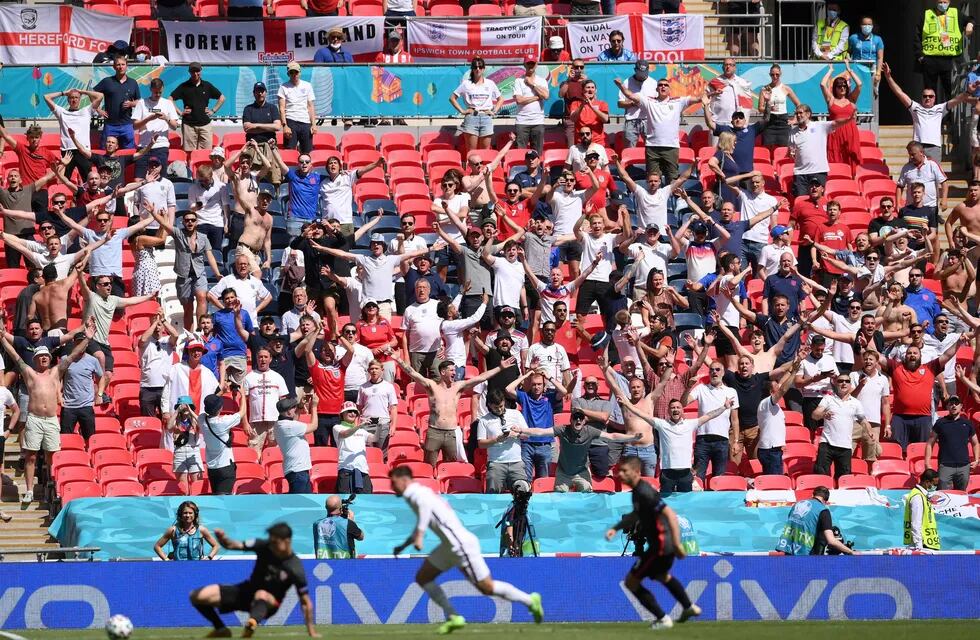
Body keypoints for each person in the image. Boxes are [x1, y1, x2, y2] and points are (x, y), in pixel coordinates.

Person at [389, 465, 544, 635]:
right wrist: (404, 545)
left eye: (394, 482)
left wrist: (419, 536)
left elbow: (425, 512)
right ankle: (453, 617)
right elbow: (426, 516)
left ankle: (530, 600)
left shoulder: (416, 494)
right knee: (423, 577)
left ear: (404, 480)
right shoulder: (419, 493)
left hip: (461, 545)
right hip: (448, 546)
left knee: (487, 587)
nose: (391, 486)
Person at [0, 320, 92, 503]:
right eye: (40, 356)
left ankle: (53, 486)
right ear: (34, 359)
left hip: (50, 419)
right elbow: (15, 355)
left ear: (50, 358)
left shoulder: (55, 372)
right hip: (34, 419)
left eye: (45, 356)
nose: (43, 358)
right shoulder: (30, 374)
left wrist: (87, 339)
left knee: (52, 456)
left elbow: (73, 355)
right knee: (31, 456)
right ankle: (29, 490)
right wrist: (2, 339)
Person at [605, 457, 701, 630]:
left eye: (624, 470)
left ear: (636, 472)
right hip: (662, 545)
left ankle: (663, 619)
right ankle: (688, 607)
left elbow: (670, 514)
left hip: (661, 546)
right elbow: (636, 514)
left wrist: (678, 544)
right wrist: (616, 528)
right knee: (661, 576)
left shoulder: (645, 492)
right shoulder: (637, 492)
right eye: (619, 470)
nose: (620, 474)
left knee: (631, 582)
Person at [190, 522, 318, 638]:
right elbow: (232, 545)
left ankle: (251, 625)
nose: (271, 545)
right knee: (196, 596)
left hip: (269, 603)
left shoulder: (295, 567)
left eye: (275, 543)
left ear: (287, 541)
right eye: (271, 541)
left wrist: (311, 631)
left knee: (261, 594)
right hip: (246, 591)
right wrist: (223, 539)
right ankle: (220, 629)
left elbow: (306, 602)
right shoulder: (263, 546)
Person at [395, 356, 512, 466]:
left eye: (454, 370)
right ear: (442, 372)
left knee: (451, 465)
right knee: (429, 465)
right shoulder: (432, 386)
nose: (455, 373)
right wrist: (398, 359)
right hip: (434, 432)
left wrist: (500, 368)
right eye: (451, 370)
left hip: (451, 433)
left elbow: (481, 377)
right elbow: (413, 373)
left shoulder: (458, 387)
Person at [881, 61, 977, 164]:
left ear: (934, 98)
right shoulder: (915, 107)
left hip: (934, 148)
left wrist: (968, 92)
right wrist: (888, 76)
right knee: (915, 175)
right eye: (925, 96)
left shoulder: (940, 108)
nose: (928, 98)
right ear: (921, 98)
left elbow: (957, 99)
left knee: (934, 177)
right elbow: (899, 93)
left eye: (930, 96)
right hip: (917, 147)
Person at [614, 76, 699, 181]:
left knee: (672, 179)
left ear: (669, 89)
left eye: (666, 85)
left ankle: (673, 197)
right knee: (653, 180)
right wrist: (620, 85)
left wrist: (709, 96)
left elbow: (697, 99)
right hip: (652, 147)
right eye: (660, 85)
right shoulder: (649, 102)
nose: (663, 87)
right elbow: (630, 95)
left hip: (671, 147)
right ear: (656, 89)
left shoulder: (678, 102)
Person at [915, 0, 976, 101]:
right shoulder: (927, 14)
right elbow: (917, 35)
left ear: (949, 2)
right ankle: (931, 115)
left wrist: (970, 24)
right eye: (940, 2)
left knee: (951, 92)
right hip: (930, 59)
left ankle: (948, 116)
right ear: (936, 2)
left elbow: (970, 19)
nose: (942, 4)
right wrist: (920, 56)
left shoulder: (955, 13)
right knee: (930, 92)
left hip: (950, 59)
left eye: (945, 2)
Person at [788, 104, 851, 196]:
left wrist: (849, 119)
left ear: (808, 114)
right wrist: (791, 153)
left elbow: (836, 123)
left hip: (818, 171)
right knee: (801, 201)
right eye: (796, 113)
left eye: (800, 113)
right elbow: (791, 152)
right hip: (800, 173)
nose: (798, 115)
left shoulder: (819, 126)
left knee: (818, 200)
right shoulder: (793, 132)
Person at [44, 87, 104, 182]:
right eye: (71, 97)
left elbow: (100, 96)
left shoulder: (86, 111)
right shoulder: (62, 112)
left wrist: (82, 92)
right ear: (68, 99)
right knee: (63, 181)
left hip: (83, 151)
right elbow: (46, 97)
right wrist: (64, 92)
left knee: (87, 181)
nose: (74, 100)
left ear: (80, 99)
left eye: (76, 97)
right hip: (67, 152)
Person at [776, 486, 856, 555]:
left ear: (812, 495)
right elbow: (831, 540)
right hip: (806, 555)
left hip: (788, 549)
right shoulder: (823, 510)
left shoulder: (797, 504)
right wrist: (850, 551)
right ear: (826, 501)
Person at [450, 57, 504, 155]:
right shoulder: (466, 83)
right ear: (472, 69)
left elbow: (501, 99)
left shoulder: (490, 83)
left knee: (485, 152)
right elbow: (452, 98)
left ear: (484, 69)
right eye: (475, 67)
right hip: (471, 117)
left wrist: (494, 111)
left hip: (486, 117)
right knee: (471, 153)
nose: (477, 69)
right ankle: (472, 170)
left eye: (480, 67)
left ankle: (483, 170)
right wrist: (462, 111)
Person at [926, 395, 980, 490]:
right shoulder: (940, 423)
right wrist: (927, 462)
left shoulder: (967, 423)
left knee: (961, 495)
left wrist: (976, 460)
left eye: (956, 403)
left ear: (961, 406)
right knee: (943, 495)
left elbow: (975, 443)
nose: (954, 406)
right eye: (951, 403)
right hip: (945, 465)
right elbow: (930, 443)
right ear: (947, 407)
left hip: (964, 466)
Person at [200, 392, 246, 496]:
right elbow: (242, 412)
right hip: (225, 466)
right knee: (225, 499)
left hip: (212, 468)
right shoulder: (223, 422)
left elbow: (199, 416)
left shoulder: (202, 420)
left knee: (216, 498)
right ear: (219, 408)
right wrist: (243, 394)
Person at [821, 62, 864, 170]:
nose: (842, 88)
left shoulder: (851, 99)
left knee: (851, 159)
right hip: (835, 133)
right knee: (835, 159)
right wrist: (830, 71)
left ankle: (852, 182)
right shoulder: (831, 100)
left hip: (850, 133)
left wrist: (850, 71)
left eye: (844, 86)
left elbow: (859, 84)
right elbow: (822, 84)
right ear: (835, 88)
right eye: (839, 86)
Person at [92, 55, 140, 149]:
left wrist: (131, 104)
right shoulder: (107, 81)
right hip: (110, 125)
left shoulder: (133, 82)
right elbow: (92, 94)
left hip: (127, 125)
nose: (121, 67)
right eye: (118, 64)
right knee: (105, 152)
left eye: (123, 64)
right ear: (114, 67)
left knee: (129, 153)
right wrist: (97, 109)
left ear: (127, 66)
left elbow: (139, 101)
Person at [275, 395, 317, 494]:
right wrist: (314, 406)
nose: (295, 408)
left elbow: (294, 421)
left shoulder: (280, 424)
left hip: (297, 470)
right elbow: (314, 426)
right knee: (298, 504)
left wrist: (300, 407)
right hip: (298, 471)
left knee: (301, 504)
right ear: (289, 412)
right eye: (294, 407)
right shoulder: (289, 426)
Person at [153, 501, 219, 561]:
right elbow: (157, 546)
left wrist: (209, 558)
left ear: (195, 514)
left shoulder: (202, 530)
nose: (188, 515)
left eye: (190, 513)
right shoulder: (173, 530)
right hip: (178, 567)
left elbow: (216, 545)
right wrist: (166, 560)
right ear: (180, 514)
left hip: (197, 567)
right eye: (185, 513)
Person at [758, 64, 801, 149]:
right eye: (772, 74)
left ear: (780, 74)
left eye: (777, 74)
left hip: (783, 121)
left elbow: (799, 105)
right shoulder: (765, 89)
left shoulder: (786, 88)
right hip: (770, 121)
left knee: (784, 149)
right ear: (769, 74)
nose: (775, 76)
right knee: (768, 149)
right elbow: (760, 108)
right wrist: (769, 108)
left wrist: (795, 119)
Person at [278, 62, 317, 155]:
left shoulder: (307, 85)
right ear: (288, 74)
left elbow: (310, 106)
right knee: (289, 152)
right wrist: (285, 126)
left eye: (296, 72)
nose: (294, 74)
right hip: (291, 121)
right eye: (291, 72)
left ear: (300, 72)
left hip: (305, 122)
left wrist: (314, 124)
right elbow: (281, 108)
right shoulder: (283, 87)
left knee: (308, 153)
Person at [513, 55, 548, 155]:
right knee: (520, 153)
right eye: (528, 63)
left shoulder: (542, 81)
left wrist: (532, 84)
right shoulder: (518, 81)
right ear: (524, 64)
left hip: (538, 121)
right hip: (522, 122)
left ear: (536, 64)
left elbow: (545, 96)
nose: (531, 65)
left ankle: (537, 171)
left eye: (533, 63)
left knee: (537, 153)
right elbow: (519, 100)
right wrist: (537, 97)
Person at [313, 494, 365, 559]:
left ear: (326, 507)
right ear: (340, 508)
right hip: (345, 565)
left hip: (323, 565)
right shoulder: (348, 524)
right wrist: (352, 521)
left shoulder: (317, 524)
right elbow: (361, 537)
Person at [904, 469, 941, 551]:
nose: (935, 487)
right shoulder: (917, 497)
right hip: (922, 545)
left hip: (928, 543)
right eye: (934, 484)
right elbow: (916, 522)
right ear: (927, 482)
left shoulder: (922, 495)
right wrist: (918, 546)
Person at [849, 16, 885, 89]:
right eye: (864, 24)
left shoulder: (878, 39)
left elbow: (880, 57)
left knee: (873, 92)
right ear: (860, 26)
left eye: (869, 24)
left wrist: (878, 73)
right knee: (857, 90)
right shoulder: (853, 38)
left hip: (872, 70)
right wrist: (850, 65)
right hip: (857, 69)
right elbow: (847, 52)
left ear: (872, 26)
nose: (867, 26)